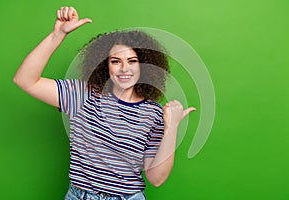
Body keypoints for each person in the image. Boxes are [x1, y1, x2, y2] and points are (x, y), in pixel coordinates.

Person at [13, 6, 196, 200]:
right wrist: (57, 35)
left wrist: (172, 128)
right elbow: (25, 80)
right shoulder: (81, 95)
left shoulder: (154, 113)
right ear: (105, 66)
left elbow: (156, 178)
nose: (124, 68)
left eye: (132, 61)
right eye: (115, 61)